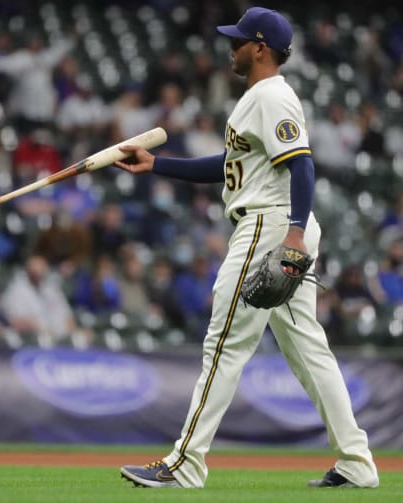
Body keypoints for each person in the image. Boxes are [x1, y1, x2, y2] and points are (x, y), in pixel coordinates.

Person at [117, 7, 379, 489]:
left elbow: (302, 165)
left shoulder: (273, 95)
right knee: (308, 349)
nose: (230, 47)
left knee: (224, 343)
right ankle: (357, 463)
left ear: (260, 48)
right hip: (277, 222)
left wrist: (294, 234)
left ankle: (185, 463)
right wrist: (157, 165)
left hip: (270, 226)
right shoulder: (258, 98)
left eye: (238, 41)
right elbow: (228, 165)